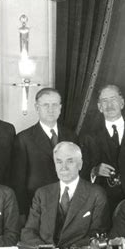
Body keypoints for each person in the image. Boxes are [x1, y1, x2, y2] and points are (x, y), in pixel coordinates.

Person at [21, 142, 110, 248]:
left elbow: (97, 234)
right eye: (59, 162)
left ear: (80, 164)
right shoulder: (42, 194)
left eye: (70, 161)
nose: (64, 167)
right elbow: (28, 232)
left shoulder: (96, 194)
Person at [80, 85, 125, 213]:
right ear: (100, 107)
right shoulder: (89, 138)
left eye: (113, 99)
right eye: (104, 101)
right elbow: (81, 173)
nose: (109, 105)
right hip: (102, 205)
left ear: (122, 103)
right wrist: (95, 171)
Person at [11, 87, 76, 221]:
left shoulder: (71, 135)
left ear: (60, 107)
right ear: (37, 107)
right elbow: (18, 181)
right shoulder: (24, 138)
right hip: (36, 206)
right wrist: (23, 214)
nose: (51, 109)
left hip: (68, 205)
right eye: (46, 105)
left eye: (55, 105)